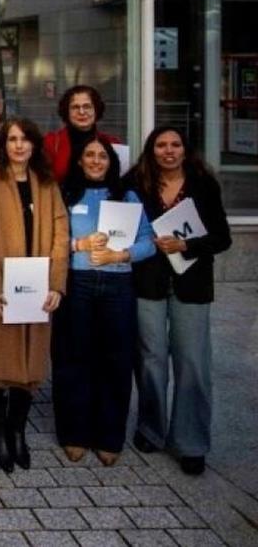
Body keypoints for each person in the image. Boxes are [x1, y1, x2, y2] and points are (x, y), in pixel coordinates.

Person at [126, 127, 231, 476]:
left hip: (192, 284)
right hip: (149, 282)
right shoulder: (137, 183)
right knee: (151, 359)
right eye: (161, 145)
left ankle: (191, 443)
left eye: (175, 145)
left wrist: (187, 245)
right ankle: (150, 429)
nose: (168, 151)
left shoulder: (203, 184)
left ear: (185, 151)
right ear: (151, 150)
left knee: (192, 363)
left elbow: (222, 238)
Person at [0, 117, 69, 475]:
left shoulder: (46, 182)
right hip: (1, 289)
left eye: (25, 139)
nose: (19, 146)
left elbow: (60, 232)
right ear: (2, 144)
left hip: (37, 288)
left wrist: (56, 283)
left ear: (35, 145)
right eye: (12, 139)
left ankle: (18, 431)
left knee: (30, 365)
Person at [54, 137, 154, 467]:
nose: (96, 161)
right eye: (89, 155)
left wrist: (122, 253)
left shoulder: (127, 196)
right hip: (77, 281)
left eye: (102, 156)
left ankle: (109, 435)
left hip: (117, 283)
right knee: (74, 357)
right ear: (79, 161)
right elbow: (49, 241)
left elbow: (148, 242)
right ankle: (74, 432)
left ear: (111, 162)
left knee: (115, 360)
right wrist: (78, 244)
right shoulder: (66, 194)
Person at [43, 84, 121, 183]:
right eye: (75, 107)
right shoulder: (51, 142)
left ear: (96, 110)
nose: (81, 112)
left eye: (87, 106)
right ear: (67, 111)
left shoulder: (112, 143)